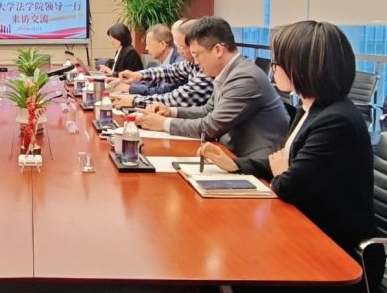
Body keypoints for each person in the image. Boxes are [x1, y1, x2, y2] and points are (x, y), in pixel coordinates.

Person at [200, 21, 384, 293]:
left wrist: (282, 172)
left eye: (277, 63)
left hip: (337, 250)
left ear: (302, 67)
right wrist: (236, 165)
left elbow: (287, 184)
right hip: (307, 228)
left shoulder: (336, 121)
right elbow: (284, 160)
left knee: (231, 260)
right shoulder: (310, 108)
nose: (273, 69)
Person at [136, 16, 288, 158]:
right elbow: (207, 110)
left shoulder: (245, 78)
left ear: (218, 50)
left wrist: (163, 123)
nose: (196, 62)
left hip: (251, 162)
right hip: (229, 153)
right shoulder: (228, 71)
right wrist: (171, 111)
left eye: (197, 55)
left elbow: (210, 127)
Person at [112, 19, 214, 108]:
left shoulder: (207, 72)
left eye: (181, 47)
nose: (179, 51)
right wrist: (139, 75)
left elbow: (176, 98)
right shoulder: (192, 63)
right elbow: (170, 71)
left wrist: (135, 100)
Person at [128, 22, 184, 96]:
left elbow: (164, 91)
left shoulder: (180, 61)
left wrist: (130, 88)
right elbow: (151, 83)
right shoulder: (163, 61)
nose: (146, 48)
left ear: (162, 45)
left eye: (148, 44)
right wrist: (129, 82)